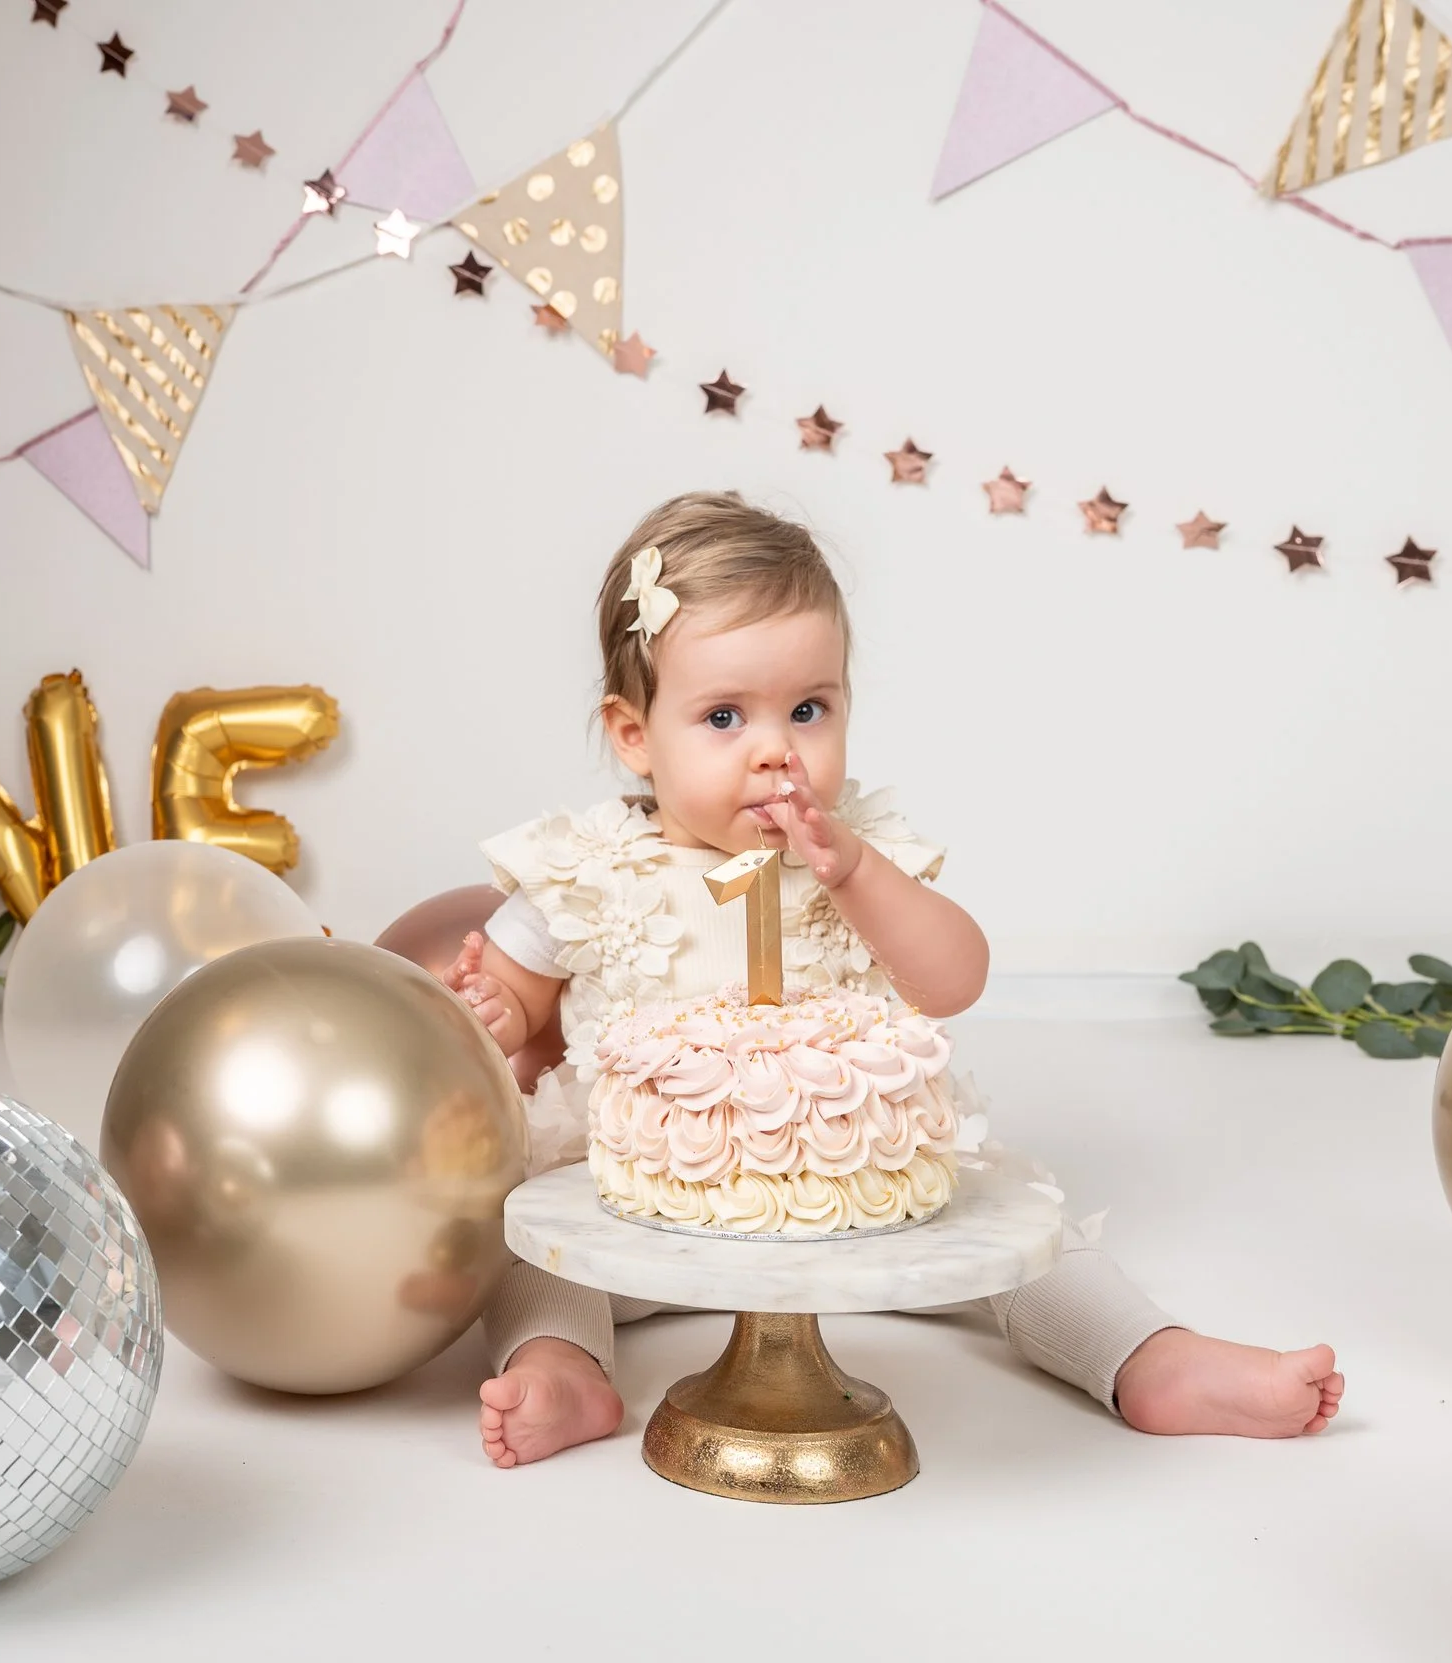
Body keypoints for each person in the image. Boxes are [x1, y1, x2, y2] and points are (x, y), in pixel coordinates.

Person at [441, 491, 1344, 1468]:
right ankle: (567, 1367)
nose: (774, 747)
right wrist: (496, 1006)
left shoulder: (858, 856)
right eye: (723, 716)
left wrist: (855, 875)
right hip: (634, 1207)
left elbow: (957, 977)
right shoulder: (586, 868)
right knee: (525, 1249)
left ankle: (1148, 1358)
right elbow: (515, 996)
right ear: (632, 733)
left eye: (807, 709)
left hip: (854, 1198)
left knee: (1022, 1234)